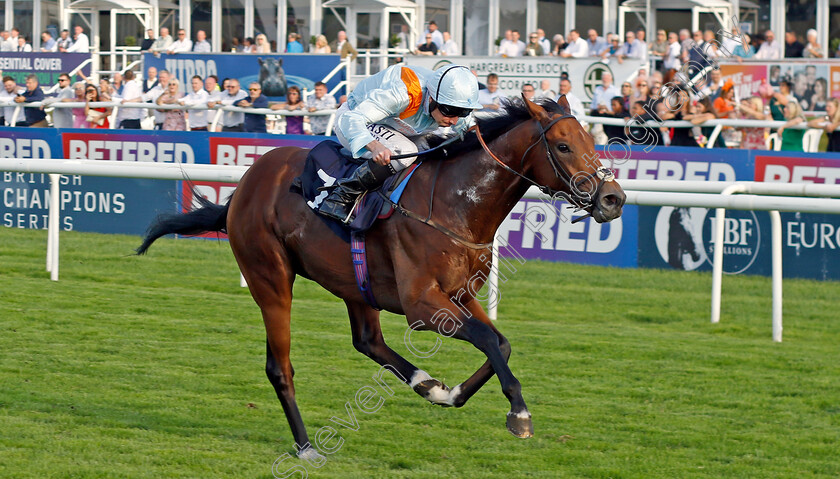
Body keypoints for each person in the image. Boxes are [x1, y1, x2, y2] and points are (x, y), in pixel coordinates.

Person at [317, 64, 481, 222]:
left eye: (463, 112)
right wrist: (374, 146)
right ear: (431, 98)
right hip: (354, 119)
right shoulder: (404, 93)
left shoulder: (451, 102)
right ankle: (341, 196)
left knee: (437, 149)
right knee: (404, 151)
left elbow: (473, 130)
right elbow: (351, 119)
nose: (453, 120)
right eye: (449, 111)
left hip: (397, 127)